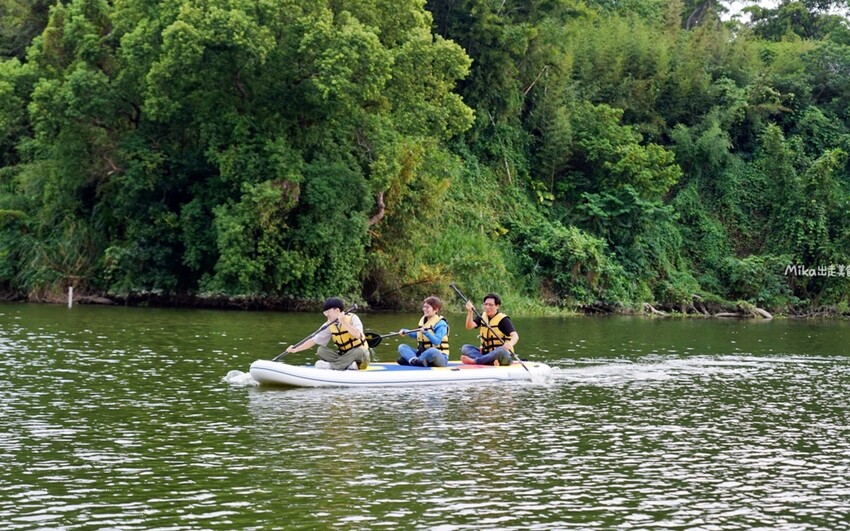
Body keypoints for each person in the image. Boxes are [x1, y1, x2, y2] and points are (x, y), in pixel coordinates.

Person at [284, 297, 369, 370]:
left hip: (361, 357)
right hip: (344, 356)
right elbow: (314, 340)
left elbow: (358, 335)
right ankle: (348, 366)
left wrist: (344, 322)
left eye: (328, 312)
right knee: (321, 350)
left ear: (337, 310)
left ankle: (333, 366)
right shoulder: (328, 325)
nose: (326, 315)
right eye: (325, 313)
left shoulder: (353, 318)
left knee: (358, 351)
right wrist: (296, 349)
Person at [460, 293, 518, 366]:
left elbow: (515, 336)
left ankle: (476, 361)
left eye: (490, 305)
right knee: (465, 348)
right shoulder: (482, 316)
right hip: (487, 353)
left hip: (502, 355)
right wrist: (470, 312)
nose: (487, 307)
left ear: (497, 306)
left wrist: (509, 344)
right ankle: (489, 361)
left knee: (501, 350)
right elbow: (469, 326)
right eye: (486, 304)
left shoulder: (503, 320)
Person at [397, 296, 450, 367]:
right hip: (422, 354)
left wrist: (426, 333)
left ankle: (411, 360)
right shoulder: (424, 320)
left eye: (427, 307)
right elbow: (418, 336)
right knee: (402, 347)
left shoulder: (441, 324)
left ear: (436, 309)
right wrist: (406, 331)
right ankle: (414, 360)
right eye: (424, 307)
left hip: (439, 357)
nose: (424, 309)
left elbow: (437, 341)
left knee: (432, 351)